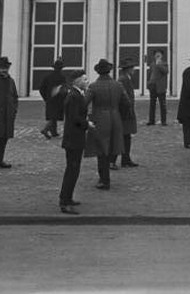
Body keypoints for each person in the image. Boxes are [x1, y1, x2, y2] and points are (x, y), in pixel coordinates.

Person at [85, 59, 130, 190]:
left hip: (100, 118)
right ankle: (105, 177)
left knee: (101, 149)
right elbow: (127, 103)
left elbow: (84, 103)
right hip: (115, 117)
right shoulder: (118, 85)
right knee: (112, 147)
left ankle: (104, 179)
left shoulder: (93, 86)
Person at [59, 69, 91, 214]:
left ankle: (68, 197)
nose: (87, 81)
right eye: (84, 79)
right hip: (73, 138)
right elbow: (74, 118)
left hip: (75, 137)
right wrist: (87, 124)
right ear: (77, 81)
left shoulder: (77, 94)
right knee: (72, 170)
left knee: (74, 169)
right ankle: (64, 202)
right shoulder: (73, 96)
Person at [111, 59, 139, 169]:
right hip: (124, 113)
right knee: (121, 137)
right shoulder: (122, 80)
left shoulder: (126, 78)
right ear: (128, 69)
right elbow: (122, 97)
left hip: (127, 111)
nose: (134, 69)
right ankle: (113, 160)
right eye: (132, 68)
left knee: (126, 137)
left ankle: (125, 159)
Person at [39, 58, 66, 139]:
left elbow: (41, 88)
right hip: (58, 100)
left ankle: (54, 132)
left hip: (50, 100)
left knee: (52, 116)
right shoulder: (62, 77)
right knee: (54, 116)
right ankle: (46, 129)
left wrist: (46, 97)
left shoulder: (48, 77)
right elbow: (63, 89)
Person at [146, 49, 168, 126]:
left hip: (161, 87)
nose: (157, 55)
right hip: (153, 86)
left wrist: (159, 64)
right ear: (154, 56)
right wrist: (148, 83)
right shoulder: (152, 64)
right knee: (152, 104)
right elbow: (149, 74)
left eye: (159, 54)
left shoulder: (164, 63)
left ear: (162, 56)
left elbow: (166, 71)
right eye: (156, 54)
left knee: (162, 104)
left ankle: (163, 121)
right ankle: (151, 120)